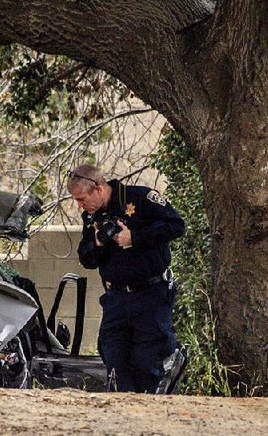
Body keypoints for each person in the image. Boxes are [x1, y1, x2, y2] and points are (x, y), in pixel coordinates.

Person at [68, 163, 185, 393]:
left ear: (99, 188)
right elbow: (87, 259)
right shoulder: (92, 217)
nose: (80, 206)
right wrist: (98, 243)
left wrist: (135, 237)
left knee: (147, 362)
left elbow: (176, 225)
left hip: (150, 295)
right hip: (117, 298)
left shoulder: (139, 198)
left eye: (82, 199)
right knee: (114, 357)